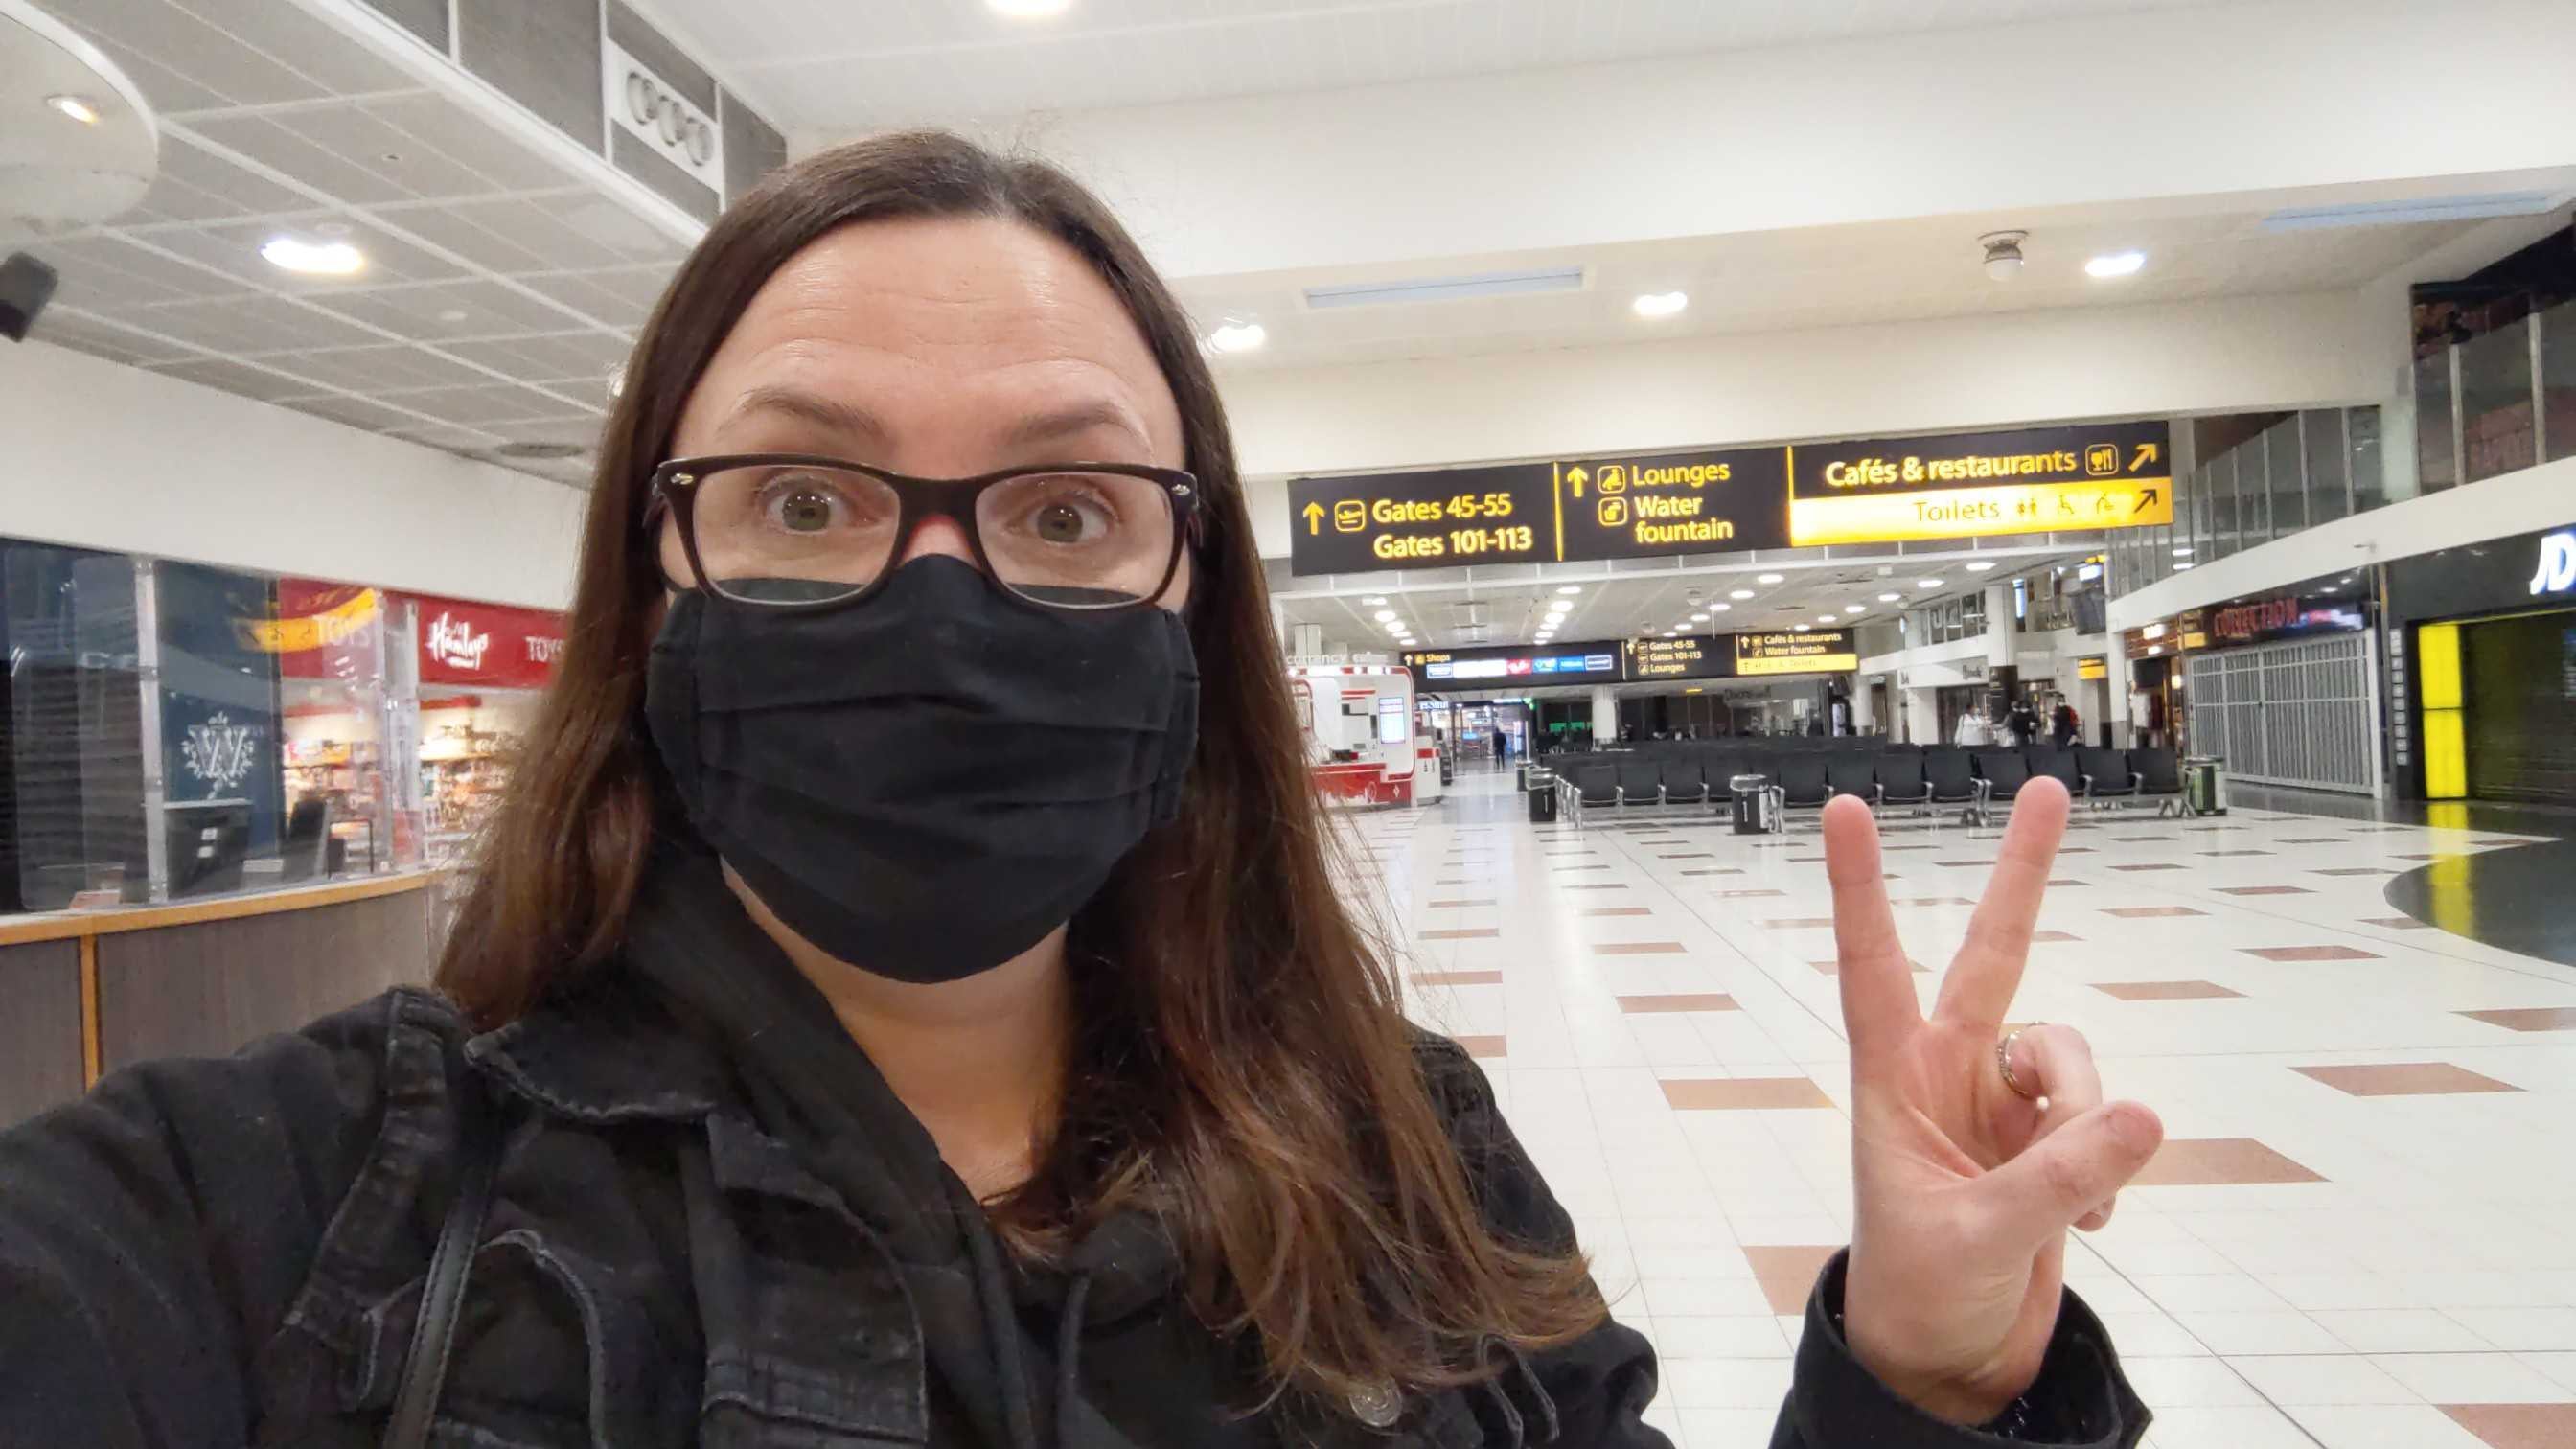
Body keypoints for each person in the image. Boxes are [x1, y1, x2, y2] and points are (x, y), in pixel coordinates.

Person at [0, 132, 2159, 1447]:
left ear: (1183, 599)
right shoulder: (278, 1222)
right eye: (810, 495)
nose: (937, 598)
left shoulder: (1409, 1170)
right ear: (653, 572)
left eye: (1060, 511)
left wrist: (1928, 1383)